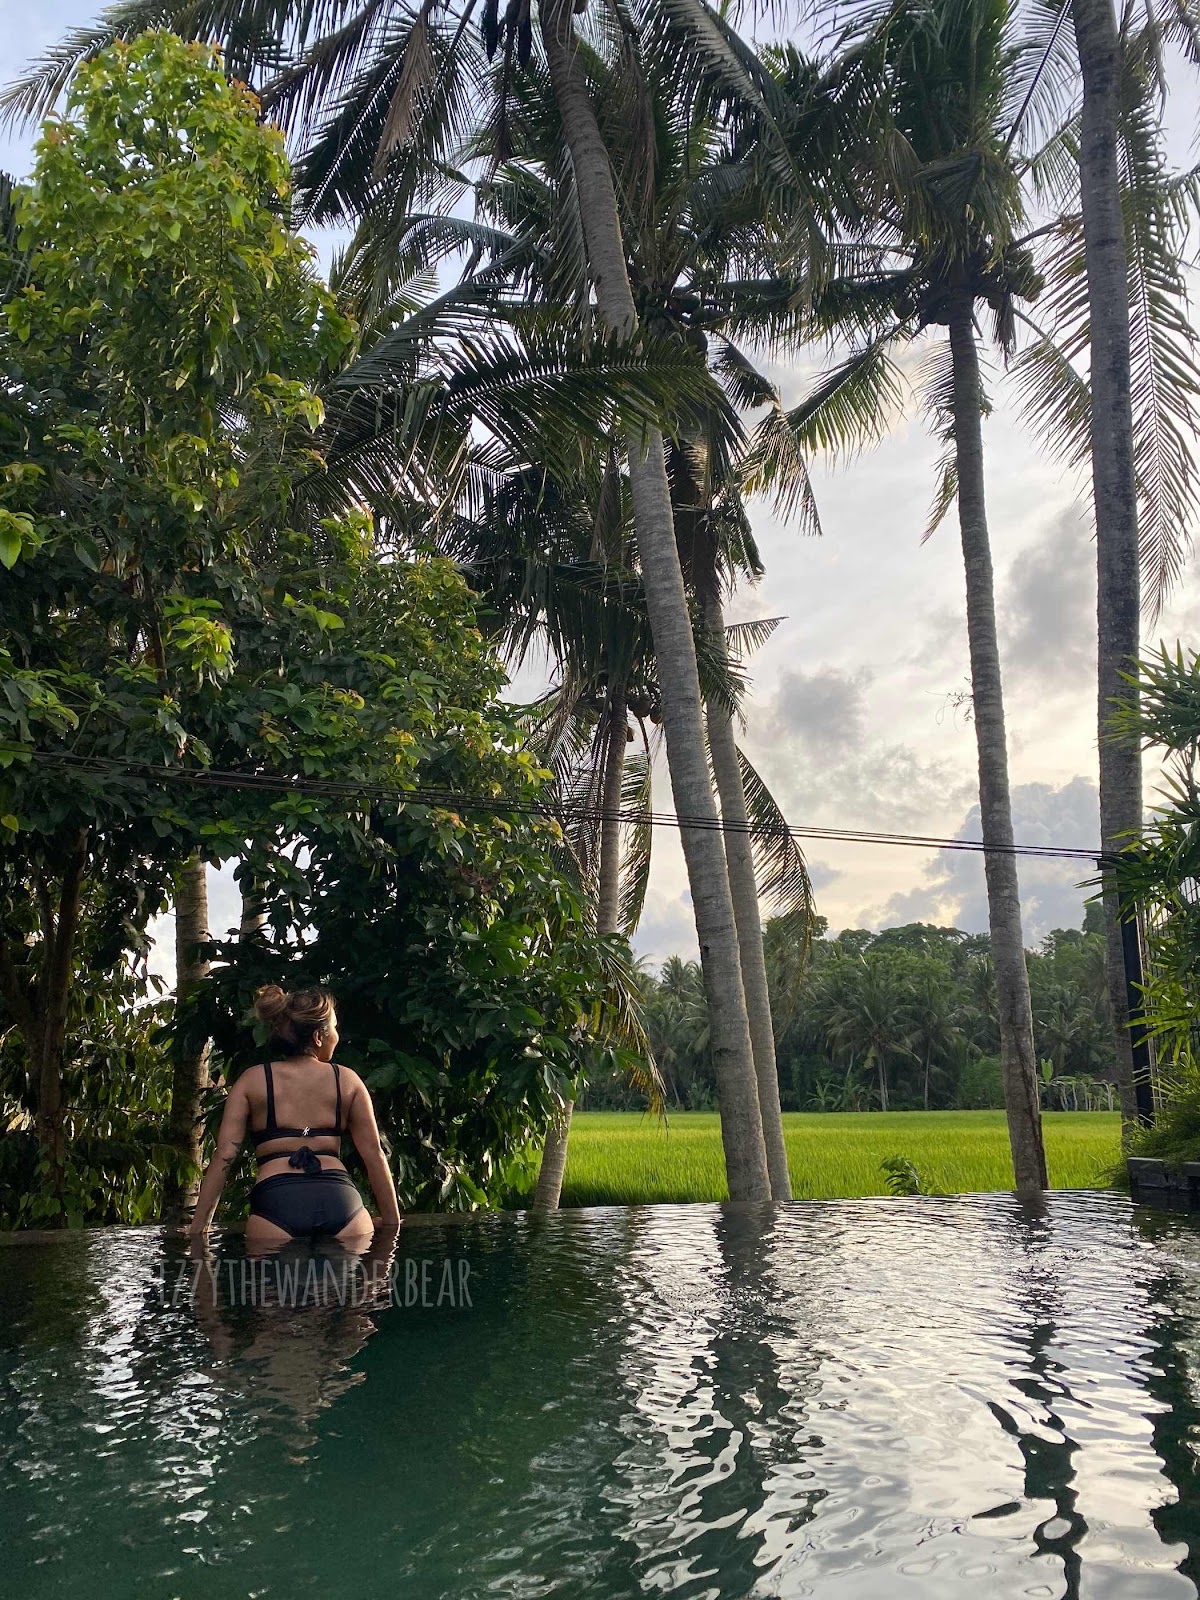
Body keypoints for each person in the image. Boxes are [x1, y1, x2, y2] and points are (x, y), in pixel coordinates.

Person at [188, 985, 401, 1251]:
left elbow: (225, 1157)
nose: (338, 1034)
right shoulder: (347, 1080)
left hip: (277, 1203)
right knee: (341, 1293)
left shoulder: (252, 1080)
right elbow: (375, 1156)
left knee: (276, 1292)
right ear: (318, 1037)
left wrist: (199, 1231)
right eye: (334, 1027)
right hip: (342, 1205)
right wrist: (393, 1227)